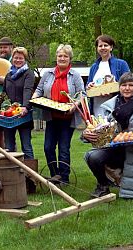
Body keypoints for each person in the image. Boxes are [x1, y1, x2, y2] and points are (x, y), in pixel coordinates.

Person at [83, 72, 133, 199]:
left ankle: (123, 181)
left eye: (131, 85)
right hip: (115, 147)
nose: (127, 88)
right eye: (124, 85)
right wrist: (87, 134)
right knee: (92, 156)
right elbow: (101, 127)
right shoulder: (110, 106)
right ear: (119, 87)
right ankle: (103, 186)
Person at [32, 44, 84, 184]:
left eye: (65, 56)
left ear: (69, 58)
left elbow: (82, 95)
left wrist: (75, 104)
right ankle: (55, 174)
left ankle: (64, 177)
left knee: (63, 148)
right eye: (60, 56)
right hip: (51, 117)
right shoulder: (48, 74)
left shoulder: (75, 75)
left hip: (68, 118)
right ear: (56, 58)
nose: (62, 58)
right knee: (48, 147)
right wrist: (35, 97)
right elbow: (39, 89)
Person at [3, 46, 35, 160]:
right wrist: (1, 107)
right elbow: (4, 93)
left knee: (26, 146)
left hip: (23, 115)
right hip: (9, 116)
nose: (18, 60)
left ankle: (31, 174)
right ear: (12, 59)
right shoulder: (8, 75)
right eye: (16, 58)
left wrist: (25, 107)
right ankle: (12, 173)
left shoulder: (29, 74)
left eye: (21, 58)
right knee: (9, 147)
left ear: (25, 59)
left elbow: (28, 90)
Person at [87, 34, 130, 116]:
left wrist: (112, 89)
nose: (103, 48)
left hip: (116, 109)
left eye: (105, 45)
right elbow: (87, 87)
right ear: (97, 48)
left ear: (111, 47)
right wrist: (89, 86)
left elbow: (129, 85)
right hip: (97, 108)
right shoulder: (94, 67)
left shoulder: (121, 64)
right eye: (100, 46)